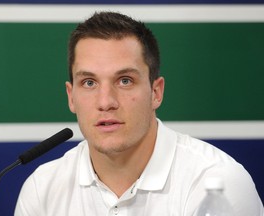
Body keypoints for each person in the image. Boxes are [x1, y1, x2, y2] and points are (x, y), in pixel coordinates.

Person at [15, 11, 263, 215]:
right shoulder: (42, 189)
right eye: (89, 83)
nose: (106, 102)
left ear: (156, 92)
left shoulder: (218, 185)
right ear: (71, 97)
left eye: (124, 80)